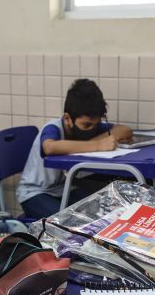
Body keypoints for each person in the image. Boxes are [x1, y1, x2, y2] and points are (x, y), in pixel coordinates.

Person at [16, 78, 133, 219]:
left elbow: (124, 130)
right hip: (35, 192)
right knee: (68, 222)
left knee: (101, 212)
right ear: (67, 119)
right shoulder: (53, 128)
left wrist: (92, 140)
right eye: (86, 125)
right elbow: (50, 147)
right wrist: (97, 145)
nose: (91, 129)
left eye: (95, 125)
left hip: (64, 189)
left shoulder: (90, 125)